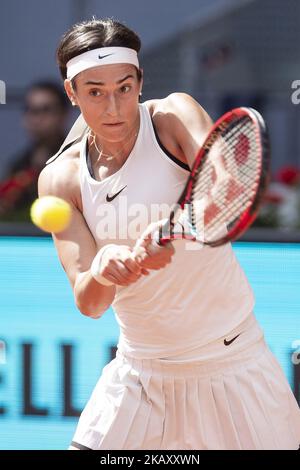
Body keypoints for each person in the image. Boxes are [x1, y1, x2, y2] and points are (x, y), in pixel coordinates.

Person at [38, 18, 300, 450]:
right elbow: (89, 302)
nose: (113, 109)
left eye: (124, 88)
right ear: (72, 93)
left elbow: (228, 185)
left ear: (141, 81)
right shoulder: (60, 180)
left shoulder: (173, 116)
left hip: (232, 364)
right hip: (140, 377)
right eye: (95, 92)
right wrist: (105, 268)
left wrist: (174, 228)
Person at [0, 81, 69, 221]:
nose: (37, 119)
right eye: (31, 110)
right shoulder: (17, 165)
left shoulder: (80, 160)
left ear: (63, 114)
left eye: (45, 110)